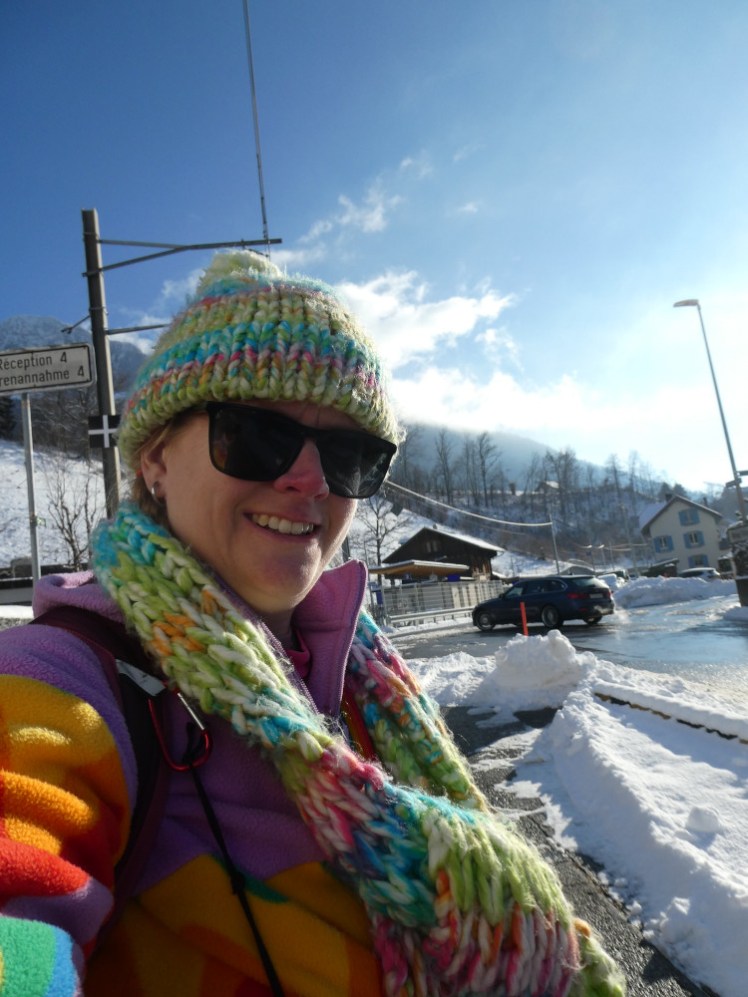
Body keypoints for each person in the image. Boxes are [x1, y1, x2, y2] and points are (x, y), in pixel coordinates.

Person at [0, 252, 625, 996]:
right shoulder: (60, 677)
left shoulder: (362, 671)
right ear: (156, 459)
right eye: (257, 434)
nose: (311, 481)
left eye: (348, 454)